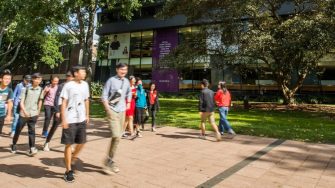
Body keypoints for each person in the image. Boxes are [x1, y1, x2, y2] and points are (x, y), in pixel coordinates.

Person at [60, 66, 90, 183]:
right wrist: (64, 119)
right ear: (76, 73)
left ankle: (73, 157)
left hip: (81, 118)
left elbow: (86, 99)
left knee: (82, 142)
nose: (84, 74)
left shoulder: (85, 85)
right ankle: (68, 171)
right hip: (70, 119)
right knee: (68, 144)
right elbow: (64, 102)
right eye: (83, 72)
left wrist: (87, 114)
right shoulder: (68, 85)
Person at [101, 62, 132, 174]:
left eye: (125, 70)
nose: (123, 72)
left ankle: (109, 160)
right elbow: (104, 96)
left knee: (117, 138)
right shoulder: (111, 81)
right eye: (122, 69)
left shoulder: (127, 81)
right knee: (116, 135)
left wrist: (128, 102)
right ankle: (109, 161)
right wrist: (107, 110)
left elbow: (129, 92)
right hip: (112, 111)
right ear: (117, 70)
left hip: (122, 111)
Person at [11, 73, 44, 156]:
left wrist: (38, 111)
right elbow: (21, 102)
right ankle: (14, 144)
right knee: (18, 130)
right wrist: (24, 111)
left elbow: (40, 100)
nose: (38, 81)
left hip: (33, 114)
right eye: (37, 79)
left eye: (40, 79)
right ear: (33, 79)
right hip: (23, 114)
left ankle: (32, 148)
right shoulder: (25, 89)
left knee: (32, 131)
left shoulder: (40, 89)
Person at [43, 72, 74, 151]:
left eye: (72, 77)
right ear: (67, 77)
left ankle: (68, 145)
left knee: (69, 128)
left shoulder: (74, 86)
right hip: (60, 109)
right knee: (54, 126)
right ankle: (47, 143)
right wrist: (57, 111)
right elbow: (57, 99)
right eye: (70, 76)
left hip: (69, 111)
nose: (71, 78)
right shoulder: (61, 86)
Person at [0, 70, 14, 137]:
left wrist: (9, 115)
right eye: (5, 78)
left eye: (9, 79)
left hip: (1, 114)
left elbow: (10, 102)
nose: (7, 80)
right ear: (1, 79)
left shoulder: (9, 90)